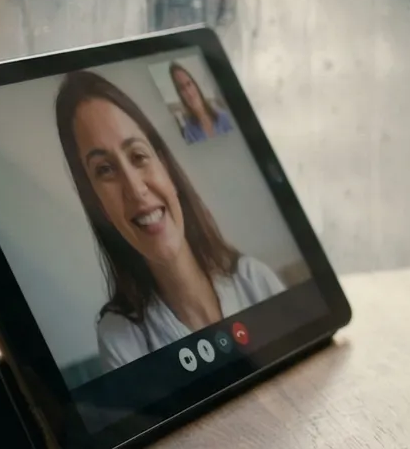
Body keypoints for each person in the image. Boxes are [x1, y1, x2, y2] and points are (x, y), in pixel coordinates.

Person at [55, 71, 281, 370]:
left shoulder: (255, 280)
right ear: (96, 203)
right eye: (105, 170)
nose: (135, 189)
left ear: (166, 167)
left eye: (138, 156)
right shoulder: (121, 340)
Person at [167, 61, 234, 143]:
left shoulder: (224, 117)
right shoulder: (189, 132)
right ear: (180, 95)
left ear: (195, 85)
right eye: (182, 88)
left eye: (189, 84)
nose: (188, 92)